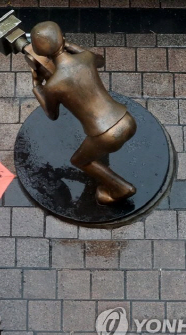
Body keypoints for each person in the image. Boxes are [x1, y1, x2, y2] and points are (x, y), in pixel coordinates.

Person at [29, 21, 137, 205]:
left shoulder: (53, 86)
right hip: (127, 120)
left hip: (105, 135)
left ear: (39, 53)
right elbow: (100, 61)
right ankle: (109, 171)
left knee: (80, 161)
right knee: (99, 148)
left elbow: (52, 114)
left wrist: (37, 87)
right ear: (63, 39)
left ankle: (121, 189)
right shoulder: (86, 57)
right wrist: (70, 46)